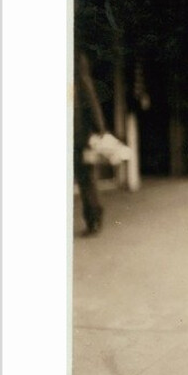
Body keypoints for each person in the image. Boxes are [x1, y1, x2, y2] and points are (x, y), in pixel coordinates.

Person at [74, 48, 108, 236]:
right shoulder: (80, 77)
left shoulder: (78, 78)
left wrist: (97, 129)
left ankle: (94, 218)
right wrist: (98, 128)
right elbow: (91, 100)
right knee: (86, 178)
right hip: (80, 136)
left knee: (85, 177)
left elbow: (90, 100)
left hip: (80, 138)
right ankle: (94, 218)